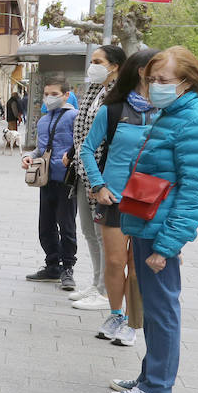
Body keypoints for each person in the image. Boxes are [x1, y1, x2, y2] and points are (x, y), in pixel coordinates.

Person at [105, 47, 198, 393]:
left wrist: (168, 245)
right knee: (154, 310)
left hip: (159, 231)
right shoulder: (174, 113)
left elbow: (193, 191)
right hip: (147, 224)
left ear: (188, 81)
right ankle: (149, 377)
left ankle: (157, 388)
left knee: (162, 310)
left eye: (163, 80)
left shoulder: (197, 120)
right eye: (152, 79)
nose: (155, 86)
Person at [79, 48, 158, 348]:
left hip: (148, 199)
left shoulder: (165, 111)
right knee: (114, 262)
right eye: (156, 70)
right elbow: (87, 148)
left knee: (136, 266)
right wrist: (98, 185)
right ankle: (116, 315)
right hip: (113, 197)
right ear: (141, 71)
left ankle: (132, 323)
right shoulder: (112, 109)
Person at [67, 45, 127, 311]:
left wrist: (99, 177)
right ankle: (96, 282)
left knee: (103, 233)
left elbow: (110, 138)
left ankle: (105, 290)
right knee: (89, 230)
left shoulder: (120, 95)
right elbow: (83, 131)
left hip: (101, 172)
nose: (93, 66)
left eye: (98, 61)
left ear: (114, 66)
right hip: (83, 170)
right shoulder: (94, 90)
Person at [22, 77, 80, 290]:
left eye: (54, 94)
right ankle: (52, 265)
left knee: (67, 226)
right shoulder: (43, 121)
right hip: (46, 180)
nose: (49, 98)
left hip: (67, 181)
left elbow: (81, 144)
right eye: (46, 94)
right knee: (45, 226)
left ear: (66, 95)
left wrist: (72, 158)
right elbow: (40, 149)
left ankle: (68, 269)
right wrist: (28, 157)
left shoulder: (75, 116)